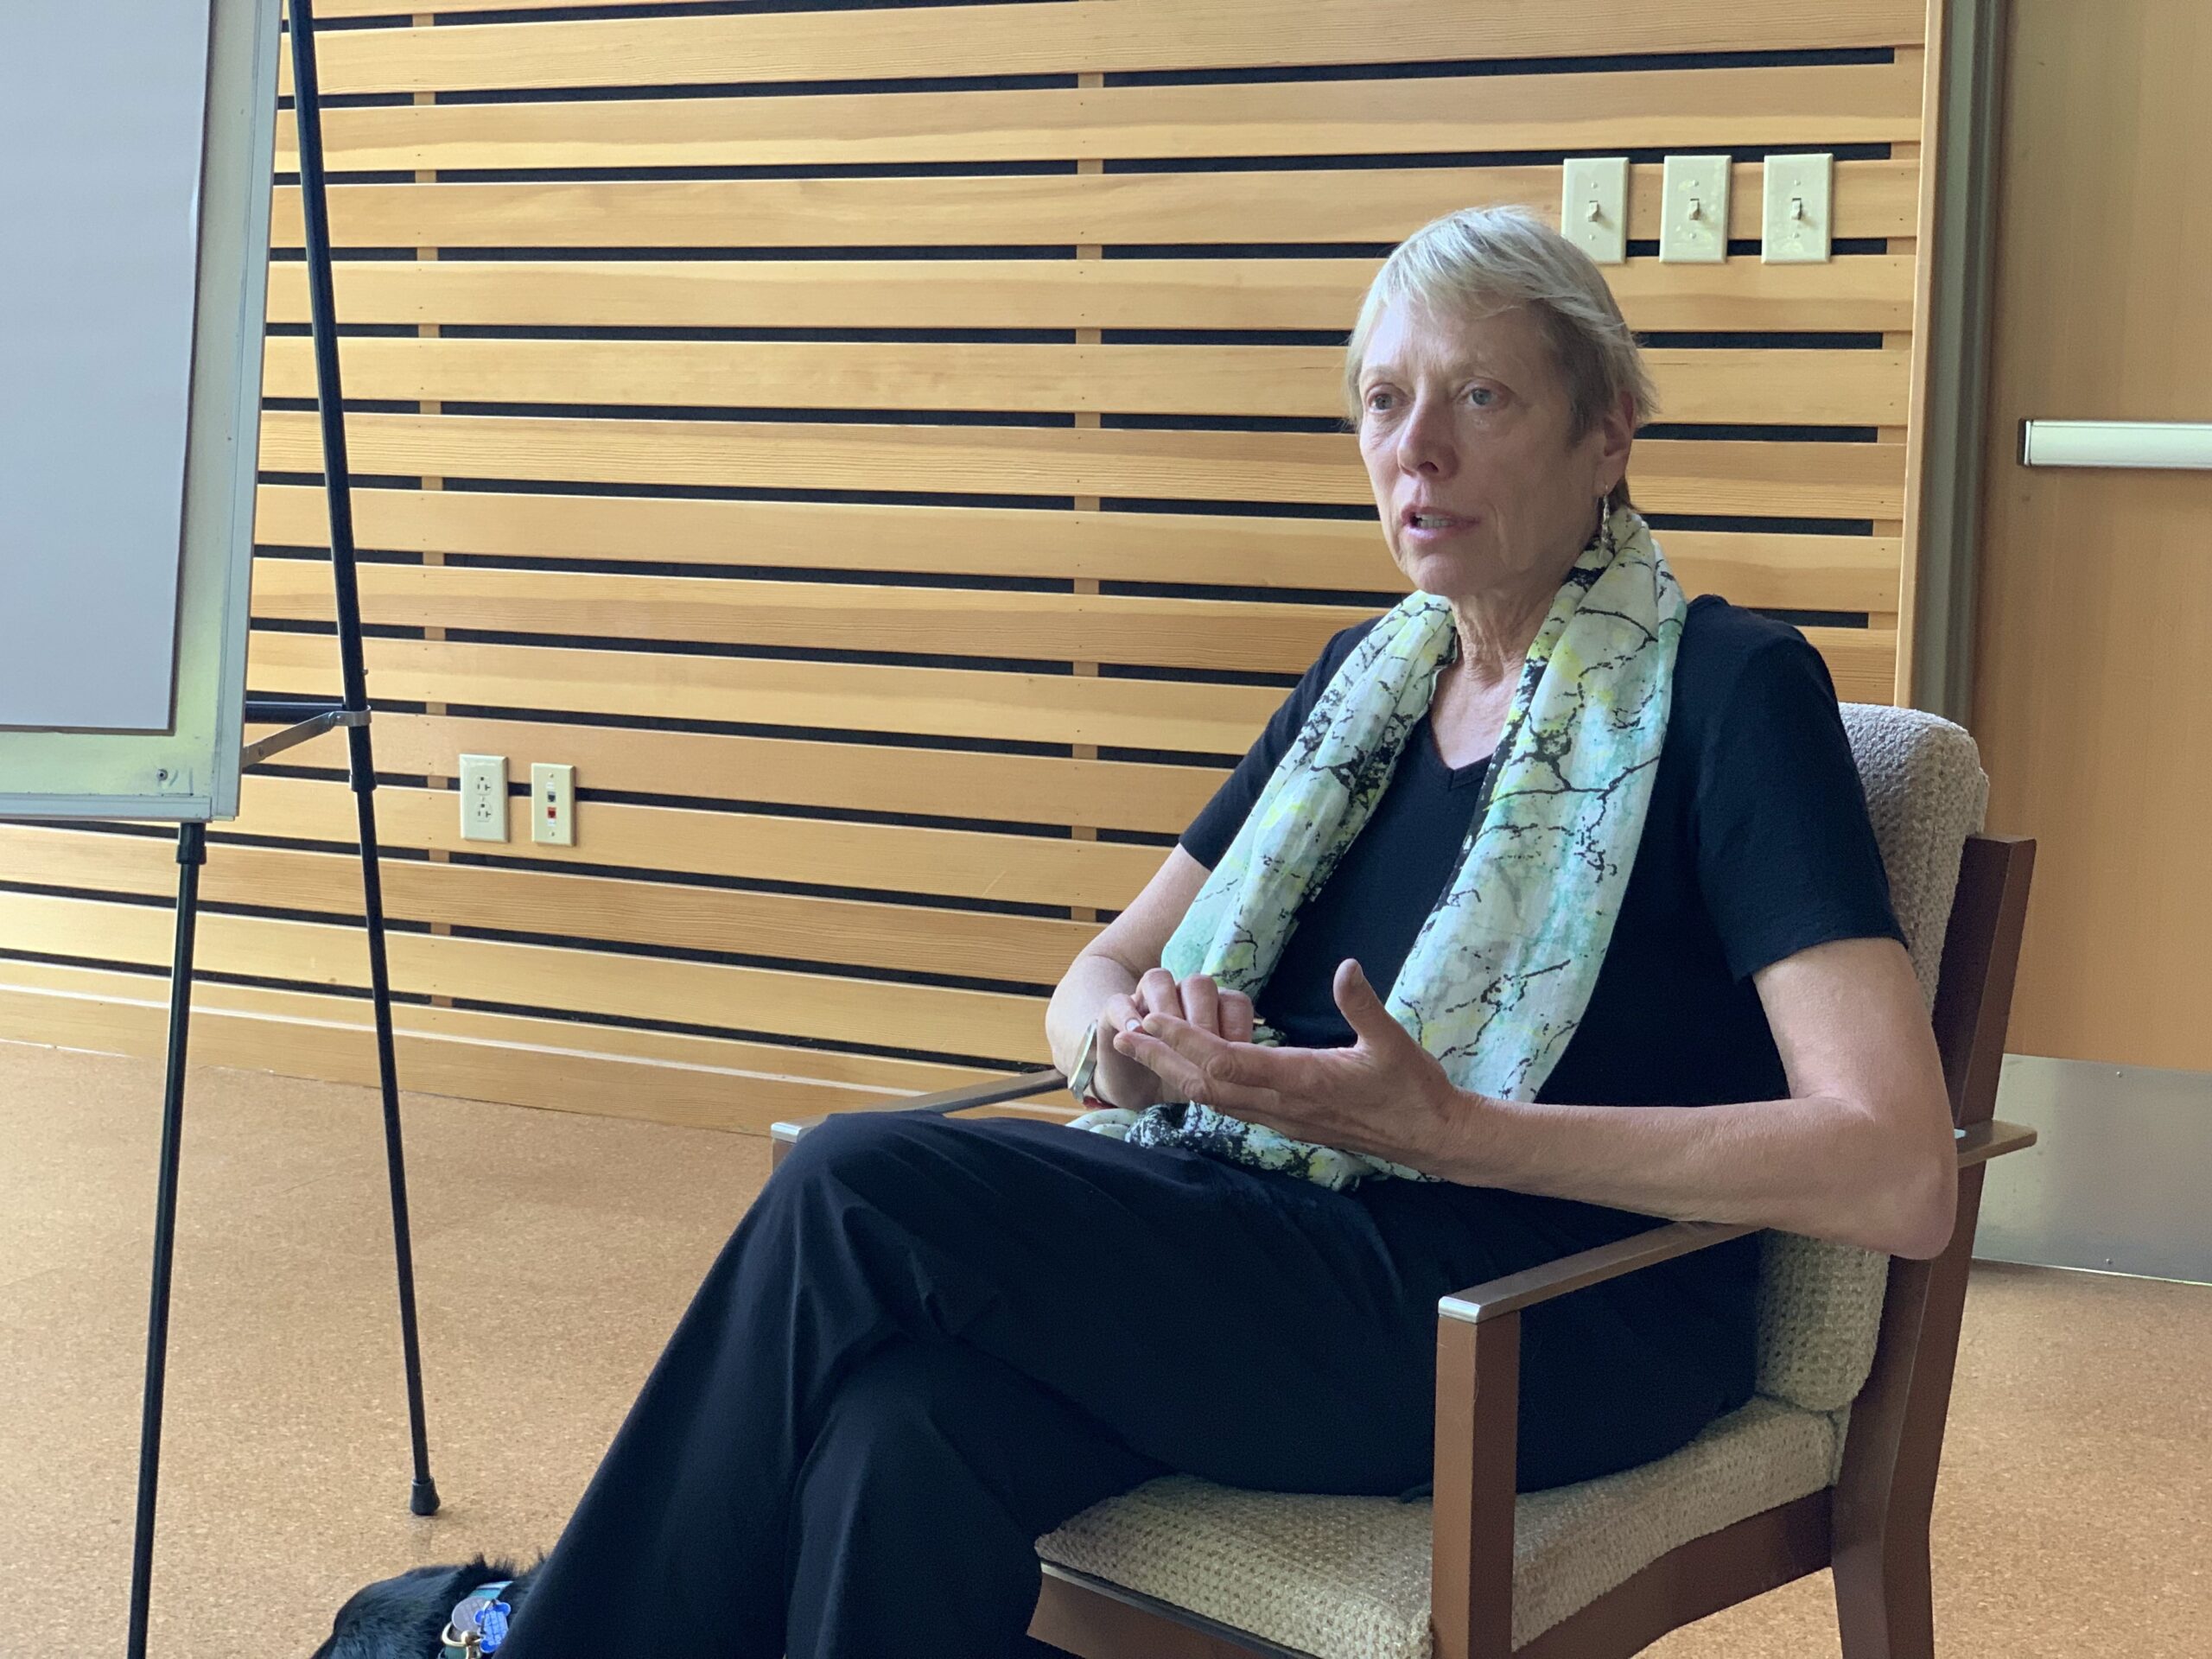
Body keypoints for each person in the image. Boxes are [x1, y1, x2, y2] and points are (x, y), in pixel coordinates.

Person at [493, 207, 1956, 1659]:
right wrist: (1128, 1056)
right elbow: (1098, 978)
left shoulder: (1731, 693)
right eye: (1386, 401)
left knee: (852, 1184)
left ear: (1609, 433)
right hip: (1283, 1242)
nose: (1417, 451)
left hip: (1529, 1313)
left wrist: (1458, 1130)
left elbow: (1894, 1168)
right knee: (902, 1434)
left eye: (1482, 397)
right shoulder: (1361, 692)